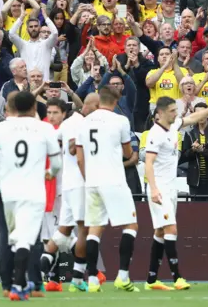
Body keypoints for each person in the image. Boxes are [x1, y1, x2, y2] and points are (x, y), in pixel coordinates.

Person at [0, 91, 62, 301]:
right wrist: (50, 174)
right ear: (35, 108)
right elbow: (57, 164)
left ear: (13, 108)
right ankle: (22, 284)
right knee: (28, 239)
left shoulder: (0, 129)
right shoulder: (45, 129)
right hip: (34, 192)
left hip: (7, 191)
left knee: (10, 238)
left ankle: (9, 286)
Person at [144, 96, 208, 290]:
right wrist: (154, 189)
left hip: (170, 188)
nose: (176, 113)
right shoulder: (155, 134)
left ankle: (151, 280)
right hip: (160, 189)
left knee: (160, 232)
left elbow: (194, 117)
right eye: (172, 111)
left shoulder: (173, 128)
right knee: (171, 229)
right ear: (161, 113)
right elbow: (148, 163)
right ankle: (177, 278)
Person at [75, 86, 138, 292]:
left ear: (99, 99)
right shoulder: (120, 120)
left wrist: (88, 178)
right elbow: (128, 153)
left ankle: (92, 279)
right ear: (117, 100)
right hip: (114, 180)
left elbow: (79, 157)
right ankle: (122, 276)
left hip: (92, 181)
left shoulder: (84, 123)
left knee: (94, 229)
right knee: (130, 226)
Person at [40, 94, 104, 293]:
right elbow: (77, 154)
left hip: (66, 185)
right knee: (84, 230)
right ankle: (79, 277)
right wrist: (89, 179)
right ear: (93, 106)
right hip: (79, 184)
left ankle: (41, 273)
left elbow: (58, 144)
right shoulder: (83, 124)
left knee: (63, 232)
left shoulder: (68, 124)